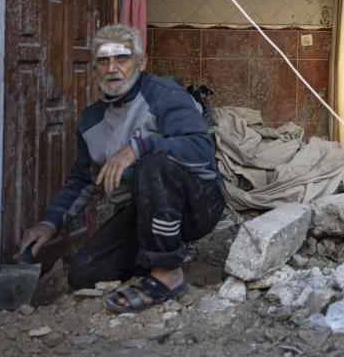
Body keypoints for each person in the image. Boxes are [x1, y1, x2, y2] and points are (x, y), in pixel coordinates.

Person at [17, 24, 224, 312]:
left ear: (141, 62)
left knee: (150, 164)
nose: (112, 68)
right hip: (143, 211)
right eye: (103, 61)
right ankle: (157, 250)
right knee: (85, 273)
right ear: (95, 68)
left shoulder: (164, 95)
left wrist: (140, 147)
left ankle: (168, 275)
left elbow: (201, 149)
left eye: (122, 59)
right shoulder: (91, 120)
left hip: (199, 203)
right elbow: (82, 180)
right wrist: (49, 223)